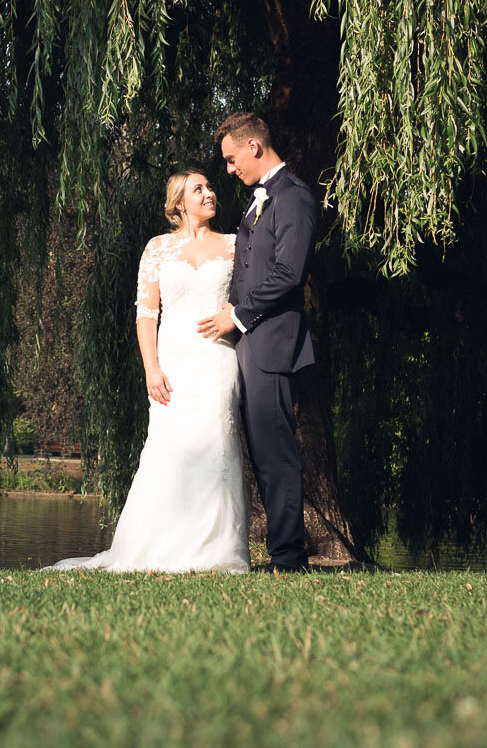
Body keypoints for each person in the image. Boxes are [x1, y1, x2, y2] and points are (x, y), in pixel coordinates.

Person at [45, 170, 250, 573]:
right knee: (168, 449)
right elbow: (146, 314)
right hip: (171, 362)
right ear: (179, 204)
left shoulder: (233, 245)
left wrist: (234, 313)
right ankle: (159, 545)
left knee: (217, 447)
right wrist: (150, 368)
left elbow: (249, 293)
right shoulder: (157, 248)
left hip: (216, 359)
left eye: (209, 188)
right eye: (199, 189)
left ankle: (216, 550)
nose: (210, 193)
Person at [197, 112, 317, 573]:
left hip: (272, 344)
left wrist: (238, 314)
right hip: (252, 343)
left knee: (276, 454)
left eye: (231, 160)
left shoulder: (294, 197)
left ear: (253, 146)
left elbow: (290, 272)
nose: (230, 171)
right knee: (264, 453)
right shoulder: (260, 199)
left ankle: (288, 558)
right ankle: (283, 553)